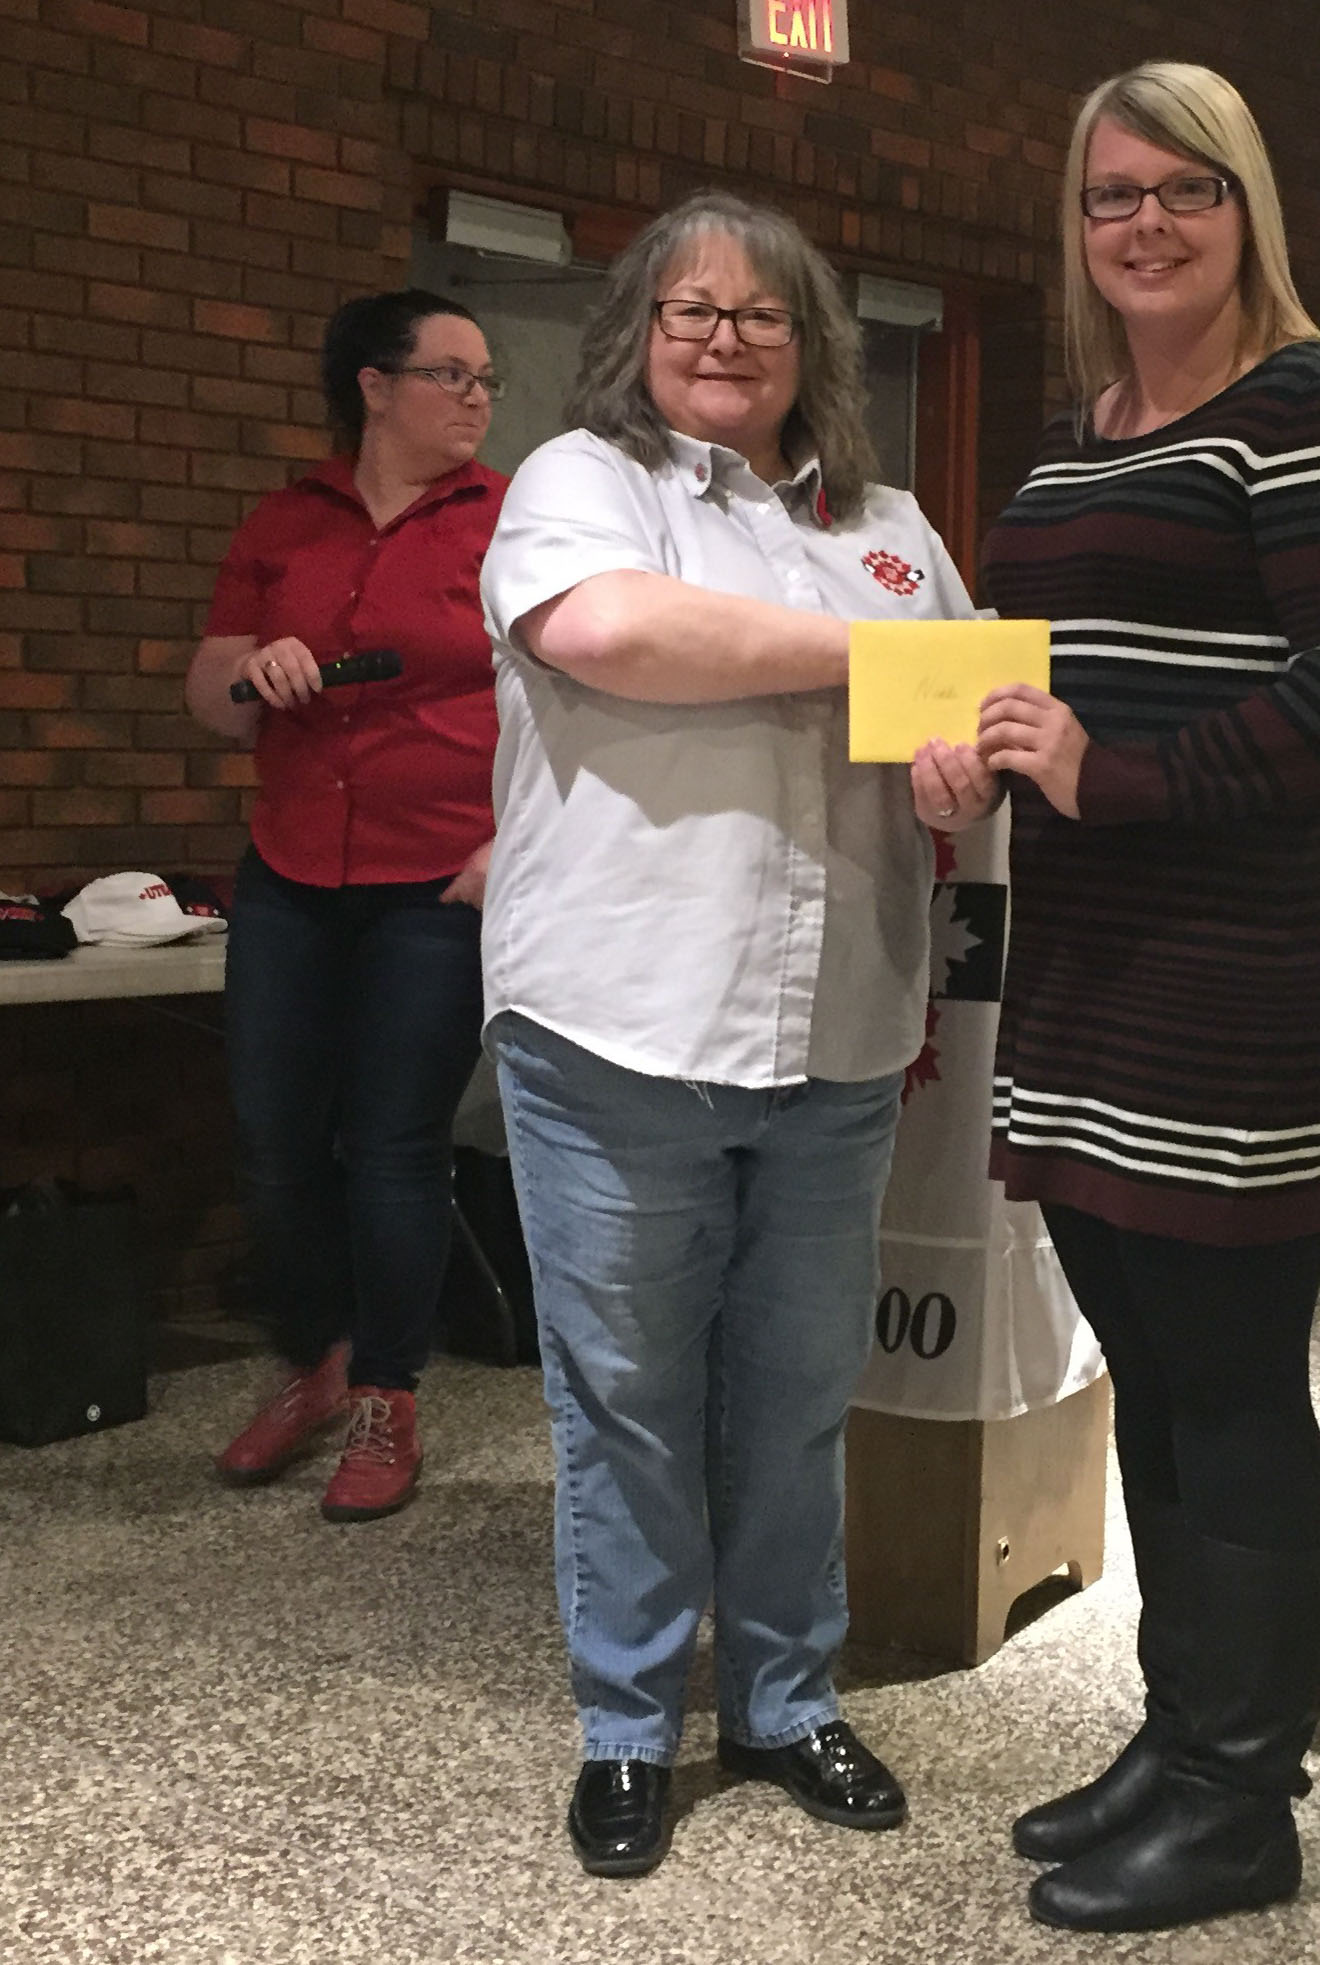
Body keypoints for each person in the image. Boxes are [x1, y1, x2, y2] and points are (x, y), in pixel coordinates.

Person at [915, 62, 1320, 1936]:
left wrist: (1101, 774)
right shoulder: (1087, 434)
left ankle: (1241, 1794)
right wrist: (956, 744)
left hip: (1236, 975)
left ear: (1245, 212)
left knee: (1230, 1387)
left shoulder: (1311, 413)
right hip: (1096, 965)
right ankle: (1182, 1732)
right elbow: (1039, 666)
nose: (1143, 224)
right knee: (1155, 1373)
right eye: (1111, 196)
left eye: (1182, 193)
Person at [476, 190, 974, 1883]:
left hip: (837, 1039)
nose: (722, 338)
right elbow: (615, 635)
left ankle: (776, 1701)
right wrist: (879, 664)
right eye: (690, 310)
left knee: (795, 1397)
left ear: (810, 346)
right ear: (638, 331)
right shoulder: (578, 486)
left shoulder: (895, 530)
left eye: (761, 316)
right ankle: (629, 1727)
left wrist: (955, 742)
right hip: (617, 1030)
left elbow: (959, 720)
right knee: (620, 1397)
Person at [186, 289, 506, 1523]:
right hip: (291, 871)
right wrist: (253, 673)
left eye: (486, 381)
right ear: (374, 387)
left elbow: (556, 701)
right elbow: (209, 690)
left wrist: (507, 849)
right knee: (273, 1146)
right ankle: (312, 1362)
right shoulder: (287, 520)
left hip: (438, 878)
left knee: (392, 1147)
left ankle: (388, 1391)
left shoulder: (512, 519)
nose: (477, 399)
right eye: (452, 376)